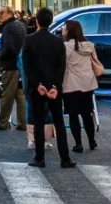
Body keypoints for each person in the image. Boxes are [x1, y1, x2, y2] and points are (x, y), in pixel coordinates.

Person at [21, 9, 70, 169]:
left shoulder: (29, 40)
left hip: (37, 88)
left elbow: (27, 66)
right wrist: (55, 86)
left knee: (39, 122)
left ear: (37, 22)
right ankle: (65, 159)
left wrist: (37, 84)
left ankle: (39, 158)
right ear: (51, 22)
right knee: (59, 122)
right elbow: (61, 66)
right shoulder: (58, 41)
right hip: (54, 88)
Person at [59, 18, 100, 154]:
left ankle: (78, 144)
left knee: (73, 114)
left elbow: (62, 65)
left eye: (64, 28)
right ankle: (92, 140)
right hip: (87, 82)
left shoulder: (65, 47)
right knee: (87, 112)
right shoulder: (89, 45)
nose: (62, 30)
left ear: (69, 31)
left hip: (71, 82)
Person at [0, 10, 28, 132]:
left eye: (2, 13)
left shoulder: (8, 28)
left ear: (9, 13)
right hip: (21, 64)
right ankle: (23, 122)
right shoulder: (20, 25)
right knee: (20, 94)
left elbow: (8, 47)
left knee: (7, 95)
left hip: (10, 65)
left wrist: (1, 56)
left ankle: (3, 122)